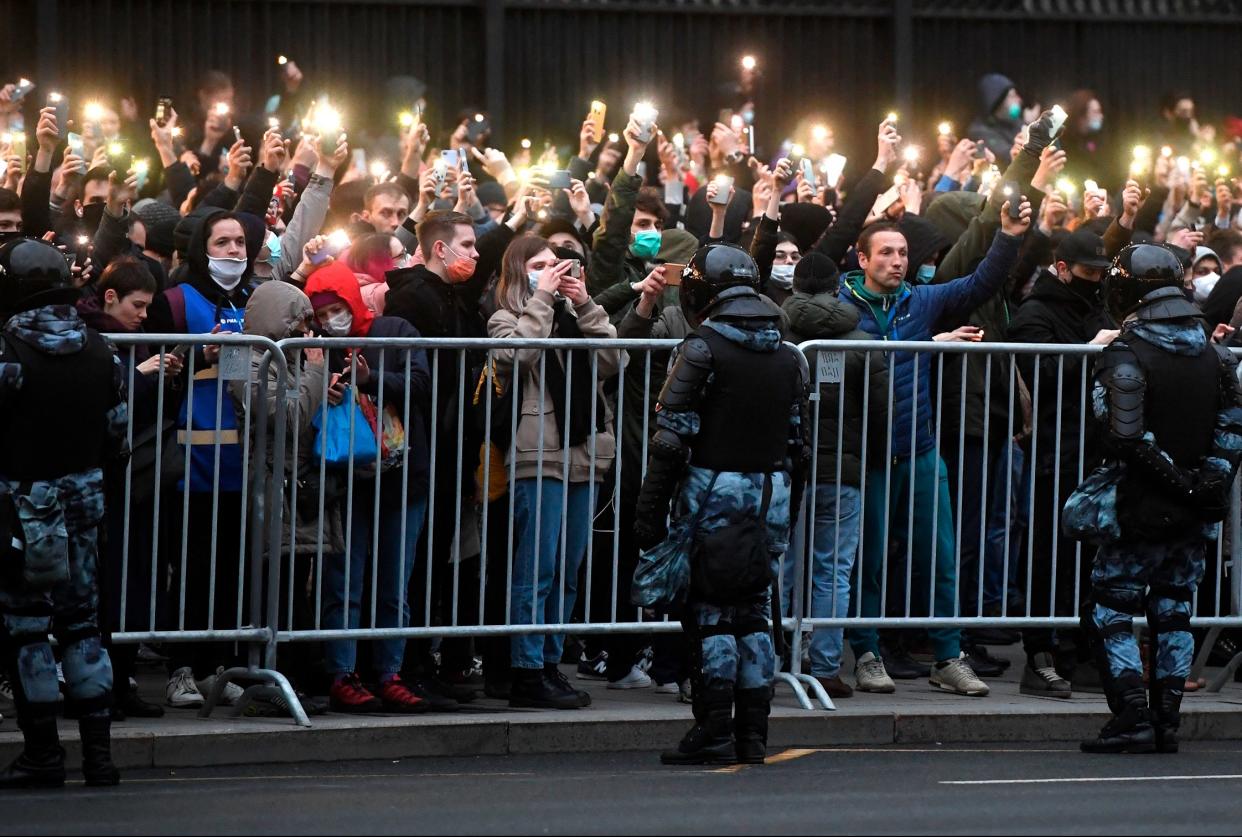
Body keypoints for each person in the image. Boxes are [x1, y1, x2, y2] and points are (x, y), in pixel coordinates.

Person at [838, 198, 1030, 698]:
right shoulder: (839, 306)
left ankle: (948, 657)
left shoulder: (920, 300)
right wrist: (930, 344)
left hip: (920, 450)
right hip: (870, 456)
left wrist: (1007, 235)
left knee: (941, 559)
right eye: (885, 253)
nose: (897, 261)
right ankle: (866, 653)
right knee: (871, 563)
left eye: (901, 253)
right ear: (862, 259)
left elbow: (978, 284)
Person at [633, 244, 810, 766]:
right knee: (754, 611)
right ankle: (753, 733)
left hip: (713, 496)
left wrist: (648, 516)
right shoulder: (789, 355)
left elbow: (670, 441)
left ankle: (712, 730)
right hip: (770, 497)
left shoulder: (701, 348)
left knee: (711, 615)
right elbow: (799, 447)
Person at [1065, 244, 1242, 754]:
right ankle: (1166, 722)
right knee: (1173, 610)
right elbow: (1232, 430)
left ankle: (1132, 718)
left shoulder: (1125, 356)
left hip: (1139, 506)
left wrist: (1179, 482)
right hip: (1198, 509)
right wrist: (1207, 483)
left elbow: (1126, 436)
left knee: (1110, 609)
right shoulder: (1217, 356)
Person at [0, 238, 126, 788]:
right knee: (83, 627)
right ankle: (99, 758)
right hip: (85, 505)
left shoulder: (7, 353)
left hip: (22, 512)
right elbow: (117, 437)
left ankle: (44, 755)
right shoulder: (103, 350)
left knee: (28, 630)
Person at [487, 236, 621, 709]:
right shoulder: (507, 318)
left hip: (584, 454)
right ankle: (525, 671)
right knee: (535, 570)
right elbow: (518, 354)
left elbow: (613, 363)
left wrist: (585, 304)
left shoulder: (572, 317)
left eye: (556, 265)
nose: (552, 272)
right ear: (518, 272)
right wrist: (543, 296)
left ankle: (548, 665)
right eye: (538, 265)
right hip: (536, 453)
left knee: (567, 570)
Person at [303, 260, 433, 713]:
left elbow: (421, 382)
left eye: (336, 308)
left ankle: (390, 673)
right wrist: (329, 388)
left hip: (402, 480)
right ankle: (343, 673)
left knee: (394, 582)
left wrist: (370, 378)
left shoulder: (395, 329)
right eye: (320, 314)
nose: (330, 319)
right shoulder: (320, 348)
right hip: (348, 483)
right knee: (345, 581)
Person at [143, 209, 256, 709]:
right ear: (201, 248)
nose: (235, 250)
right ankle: (180, 669)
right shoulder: (174, 300)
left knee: (230, 568)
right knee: (187, 565)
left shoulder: (253, 300)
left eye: (240, 242)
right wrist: (197, 357)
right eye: (223, 242)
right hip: (188, 460)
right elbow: (154, 373)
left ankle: (219, 669)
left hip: (242, 461)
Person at [1006, 228, 1119, 697]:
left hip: (1095, 451)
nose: (1094, 280)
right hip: (1055, 453)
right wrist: (1091, 351)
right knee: (1047, 555)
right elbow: (1044, 376)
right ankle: (1041, 653)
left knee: (1093, 556)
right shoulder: (1036, 313)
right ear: (1061, 268)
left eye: (1100, 272)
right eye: (1087, 272)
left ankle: (1081, 651)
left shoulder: (1099, 307)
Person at [781, 253, 888, 698]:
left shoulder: (778, 336)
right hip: (843, 472)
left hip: (786, 469)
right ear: (835, 287)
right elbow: (882, 414)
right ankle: (826, 667)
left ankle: (775, 658)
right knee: (834, 571)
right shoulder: (862, 339)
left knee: (783, 564)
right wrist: (870, 462)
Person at [968, 73, 1025, 165]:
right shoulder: (978, 132)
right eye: (1012, 96)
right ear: (997, 102)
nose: (1019, 100)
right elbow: (1006, 157)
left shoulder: (1016, 122)